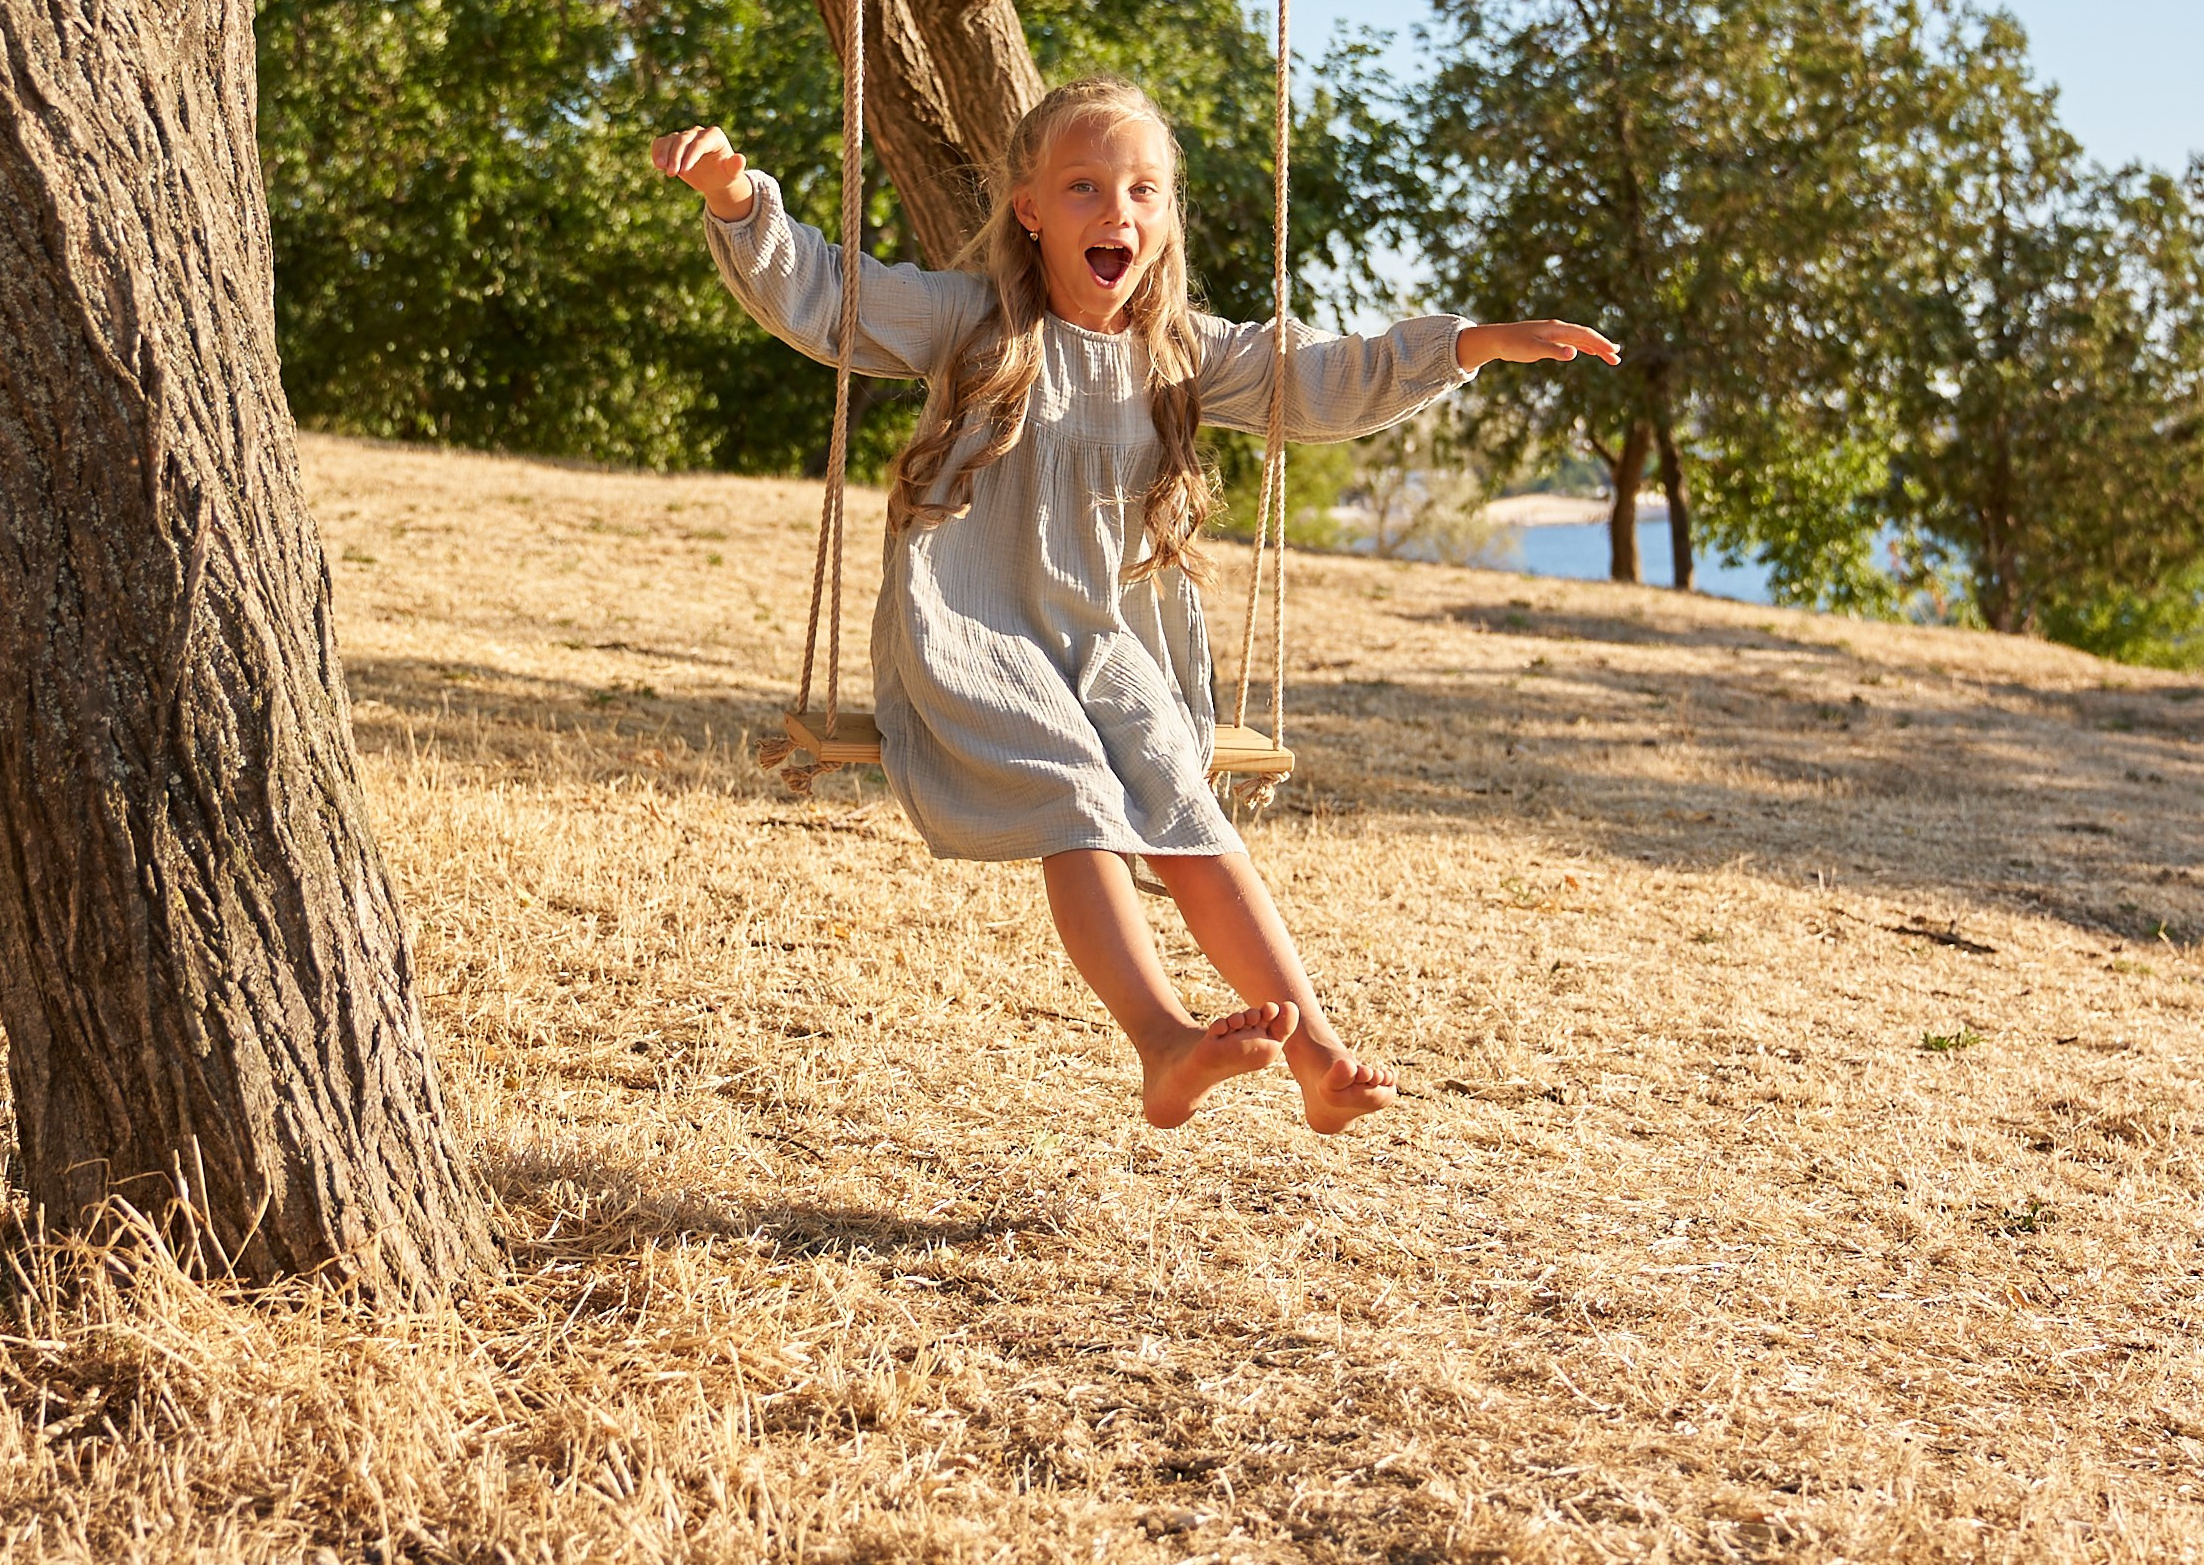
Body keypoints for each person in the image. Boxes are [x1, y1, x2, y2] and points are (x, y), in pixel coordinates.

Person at [652, 75, 1615, 1133]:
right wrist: (738, 196)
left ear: (1165, 214)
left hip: (1110, 642)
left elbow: (1326, 377)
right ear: (1028, 209)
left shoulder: (1181, 355)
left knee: (1177, 795)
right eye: (1084, 187)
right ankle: (1164, 1042)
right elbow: (832, 293)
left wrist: (1471, 344)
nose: (1118, 212)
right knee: (1079, 793)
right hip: (976, 630)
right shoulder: (968, 321)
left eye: (1143, 190)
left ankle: (1321, 1061)